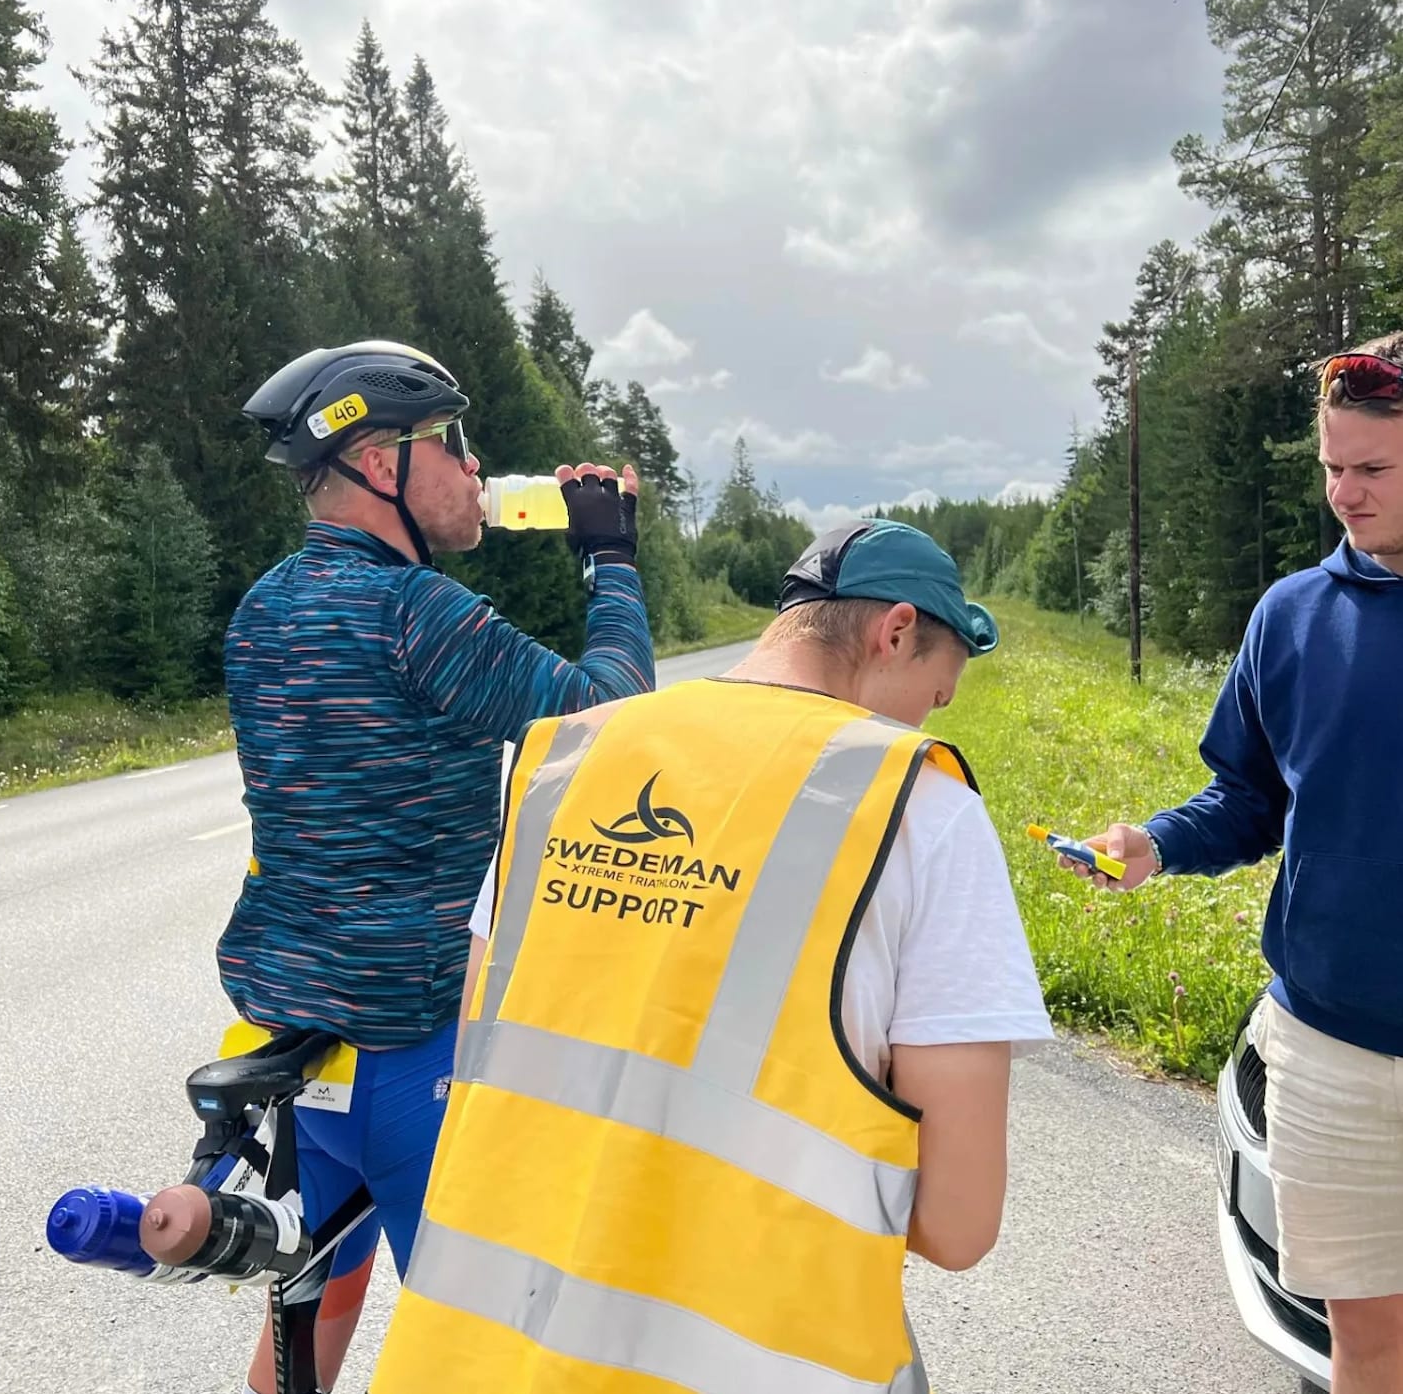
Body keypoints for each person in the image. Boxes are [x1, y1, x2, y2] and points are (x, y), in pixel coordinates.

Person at [370, 517, 1053, 1394]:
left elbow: (488, 1058)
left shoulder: (565, 759)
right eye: (938, 689)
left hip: (471, 1360)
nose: (929, 714)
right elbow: (957, 1225)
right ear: (895, 632)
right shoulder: (920, 809)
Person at [220, 339, 656, 1394]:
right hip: (412, 1046)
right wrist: (610, 558)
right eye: (450, 442)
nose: (473, 467)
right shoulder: (417, 612)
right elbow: (614, 716)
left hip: (298, 1034)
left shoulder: (262, 607)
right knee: (484, 1354)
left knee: (312, 1299)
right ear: (380, 463)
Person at [1062, 335, 1403, 1394]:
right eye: (1331, 466)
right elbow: (1249, 798)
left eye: (1372, 468)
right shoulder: (1291, 617)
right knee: (1366, 1345)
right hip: (1332, 1052)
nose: (1342, 493)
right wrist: (1156, 842)